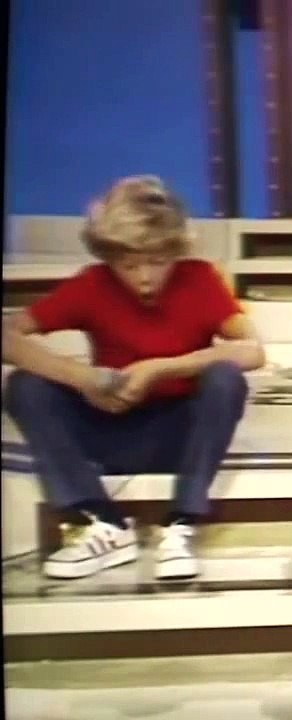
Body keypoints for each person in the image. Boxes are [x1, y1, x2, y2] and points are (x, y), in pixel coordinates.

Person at [3, 176, 264, 581]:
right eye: (129, 265)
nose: (144, 277)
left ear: (174, 252)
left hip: (181, 433)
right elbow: (9, 336)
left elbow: (252, 350)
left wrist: (162, 367)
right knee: (25, 386)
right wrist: (82, 378)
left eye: (157, 262)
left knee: (226, 378)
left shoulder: (198, 278)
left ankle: (181, 525)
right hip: (111, 427)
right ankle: (102, 523)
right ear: (110, 258)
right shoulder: (92, 284)